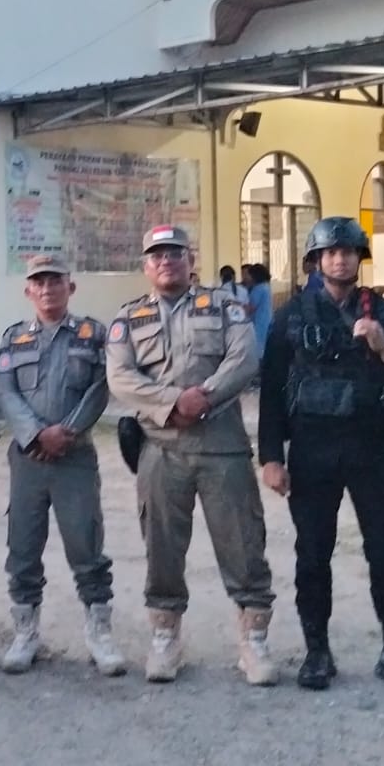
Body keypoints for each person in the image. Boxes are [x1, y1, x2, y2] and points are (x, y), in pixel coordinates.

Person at [257, 216, 384, 694]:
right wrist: (271, 456)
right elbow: (272, 390)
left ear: (360, 259)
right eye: (330, 252)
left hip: (371, 447)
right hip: (313, 450)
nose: (340, 258)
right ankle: (317, 652)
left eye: (349, 251)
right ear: (315, 260)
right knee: (312, 553)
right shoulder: (291, 315)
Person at [105, 224, 276, 685]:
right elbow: (120, 377)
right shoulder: (129, 317)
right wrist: (170, 404)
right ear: (146, 265)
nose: (166, 261)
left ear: (189, 258)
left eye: (174, 252)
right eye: (157, 254)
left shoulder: (224, 307)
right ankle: (165, 639)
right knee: (161, 546)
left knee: (243, 543)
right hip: (161, 449)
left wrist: (205, 397)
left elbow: (244, 358)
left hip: (222, 446)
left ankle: (253, 641)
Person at [0, 254, 125, 677]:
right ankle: (25, 633)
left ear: (71, 287)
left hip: (75, 456)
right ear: (28, 290)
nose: (47, 288)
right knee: (23, 545)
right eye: (39, 282)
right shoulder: (14, 339)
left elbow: (100, 388)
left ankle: (99, 632)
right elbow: (7, 392)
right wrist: (36, 434)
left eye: (55, 281)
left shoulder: (92, 335)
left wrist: (65, 432)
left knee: (85, 543)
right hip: (28, 458)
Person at [244, 264, 274, 360]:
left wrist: (236, 305)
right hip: (266, 319)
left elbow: (250, 308)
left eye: (248, 275)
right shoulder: (266, 286)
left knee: (257, 347)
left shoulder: (258, 289)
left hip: (258, 322)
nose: (246, 277)